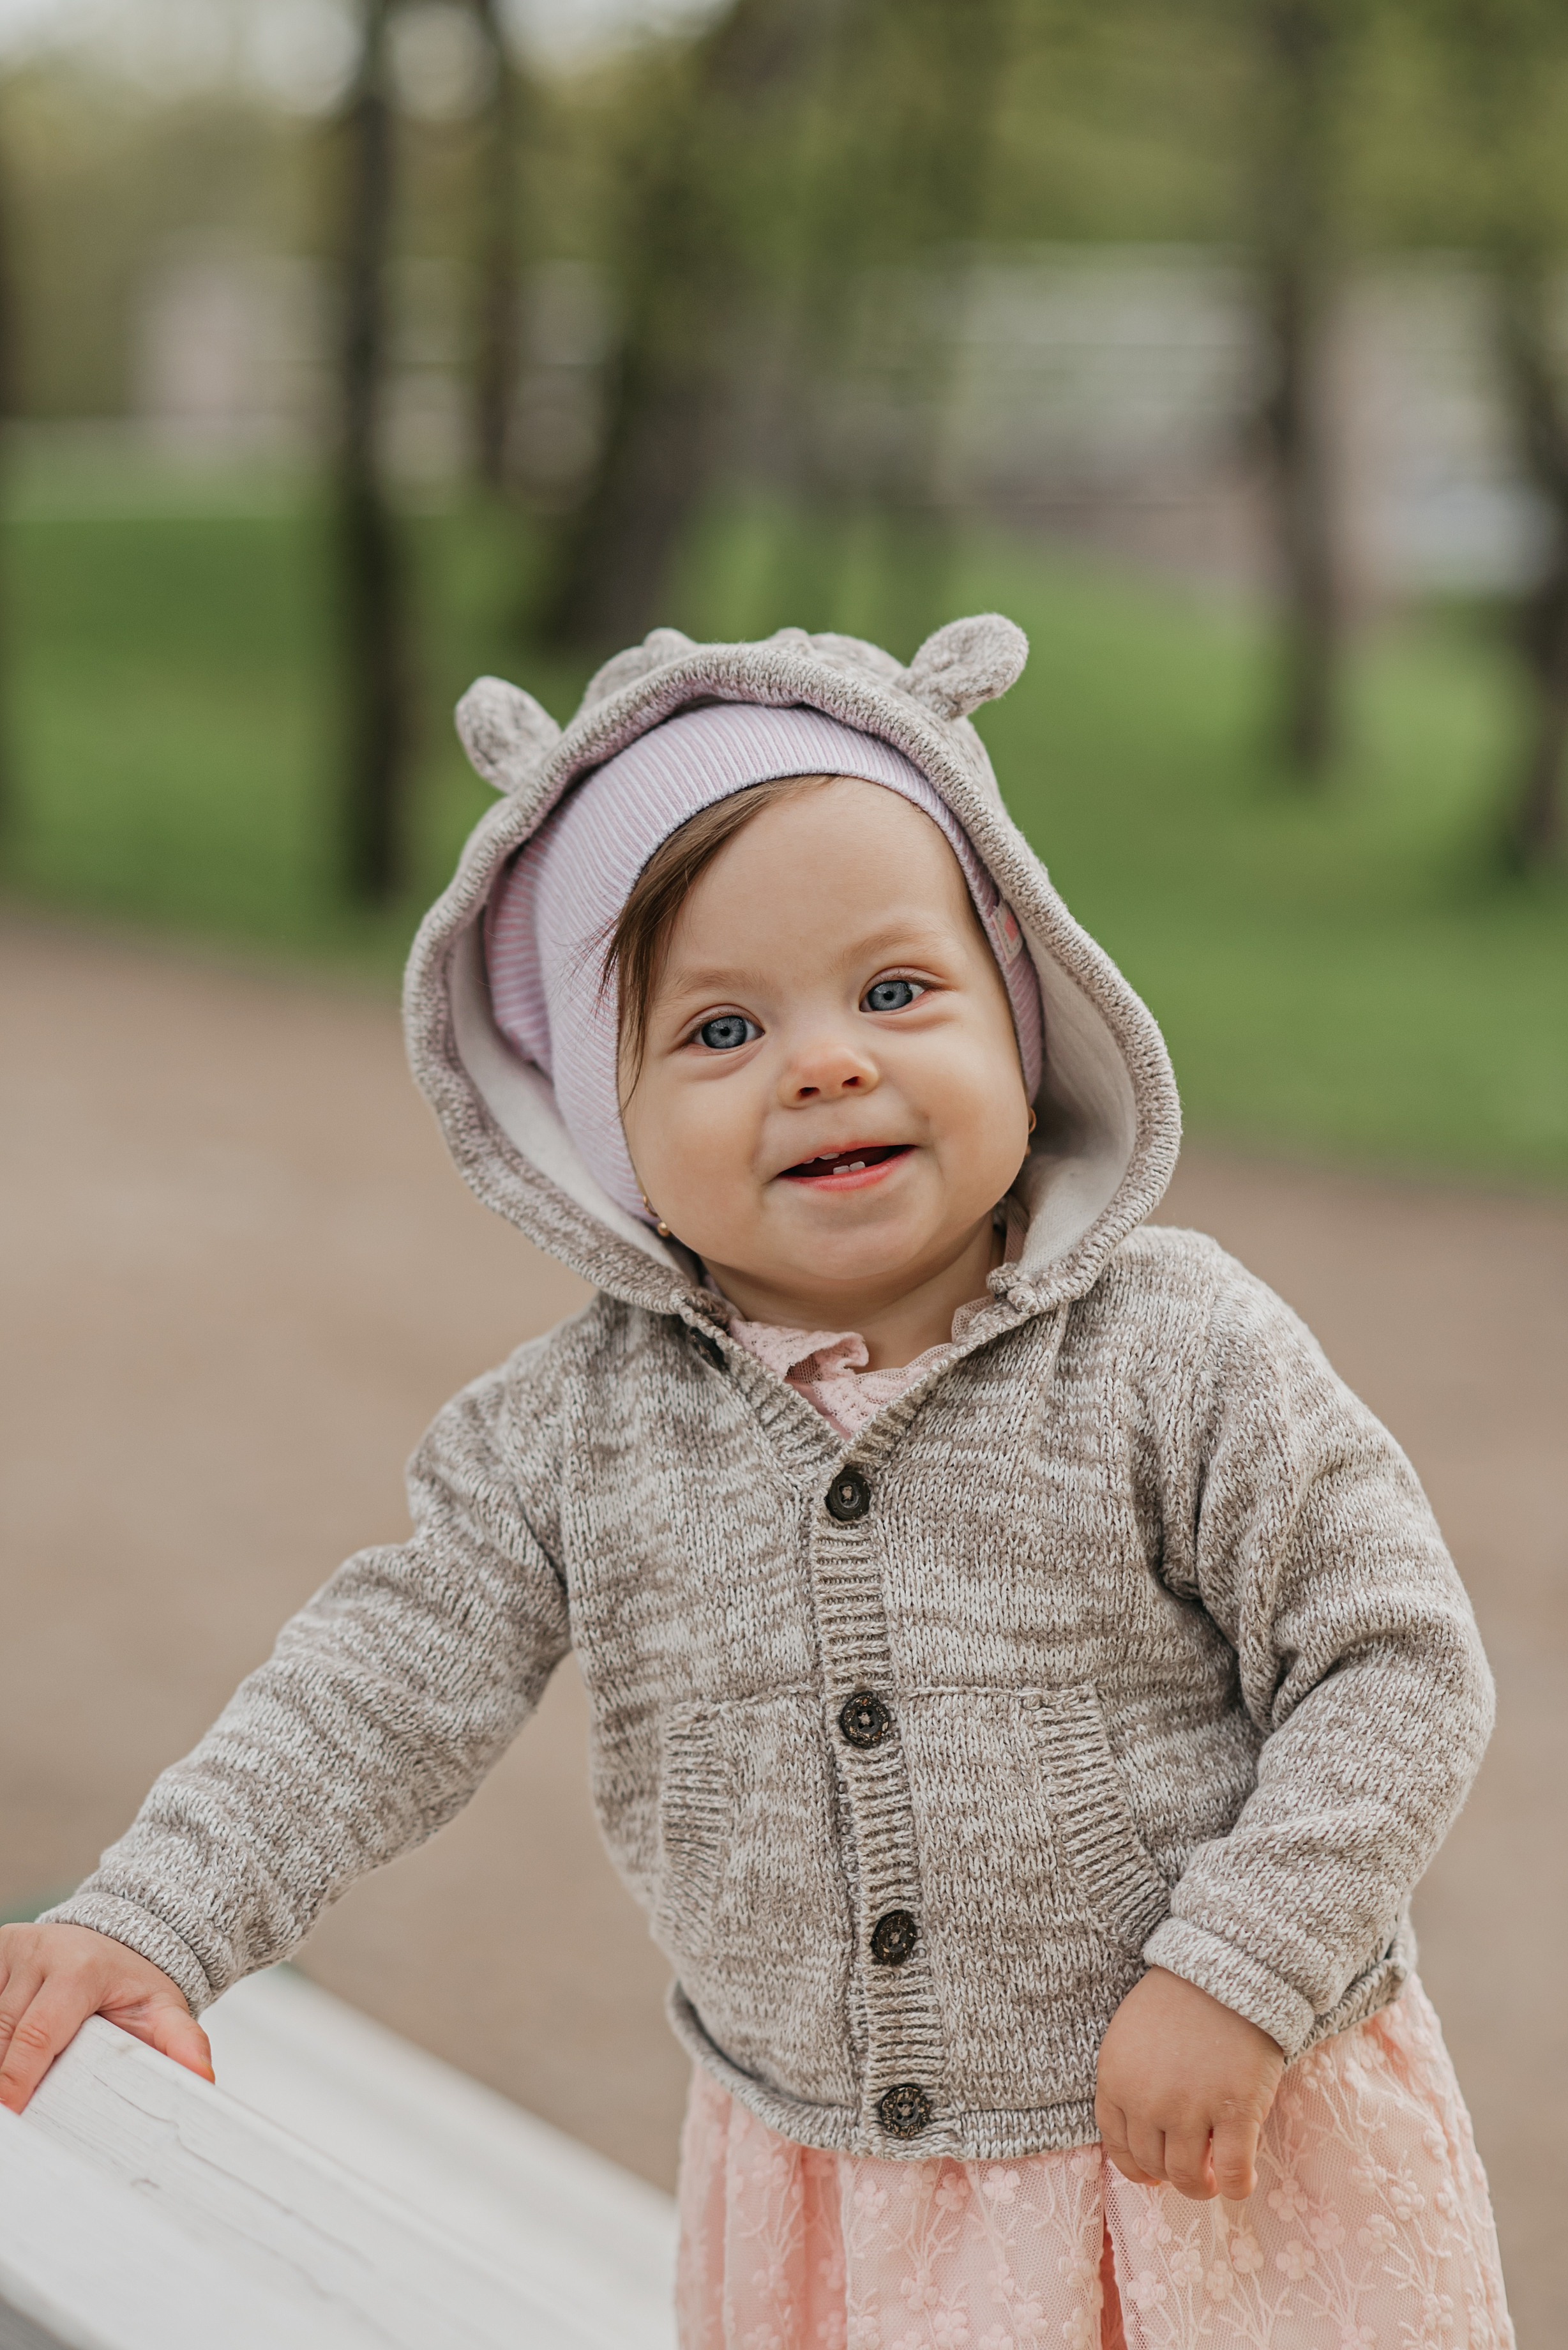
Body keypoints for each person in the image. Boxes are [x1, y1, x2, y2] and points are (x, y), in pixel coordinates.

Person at [0, 616, 1512, 2346]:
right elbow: (370, 1691)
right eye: (719, 1030)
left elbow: (1395, 1662)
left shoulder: (1174, 1349)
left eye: (894, 992)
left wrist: (1241, 1968)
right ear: (605, 1132)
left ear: (1018, 1011)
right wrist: (154, 1917)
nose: (826, 1062)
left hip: (1204, 2150)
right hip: (831, 2196)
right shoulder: (575, 1431)